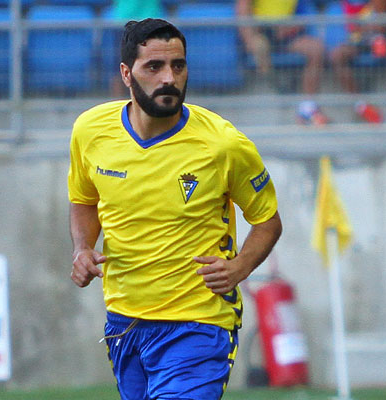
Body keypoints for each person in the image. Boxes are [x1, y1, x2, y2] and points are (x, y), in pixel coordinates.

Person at [68, 18, 282, 399]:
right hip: (125, 322)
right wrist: (83, 248)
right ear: (126, 74)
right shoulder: (90, 130)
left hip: (198, 322)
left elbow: (267, 220)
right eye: (154, 67)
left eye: (178, 66)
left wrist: (240, 267)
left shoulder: (222, 144)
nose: (169, 77)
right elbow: (84, 200)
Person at [236, 0, 329, 124]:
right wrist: (249, 38)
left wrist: (292, 27)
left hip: (287, 34)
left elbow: (304, 15)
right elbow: (242, 8)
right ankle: (274, 84)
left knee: (316, 49)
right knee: (259, 47)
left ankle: (308, 108)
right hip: (263, 33)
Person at [328, 0, 386, 123]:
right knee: (336, 55)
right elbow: (353, 25)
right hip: (362, 37)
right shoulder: (352, 4)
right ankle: (360, 105)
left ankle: (379, 39)